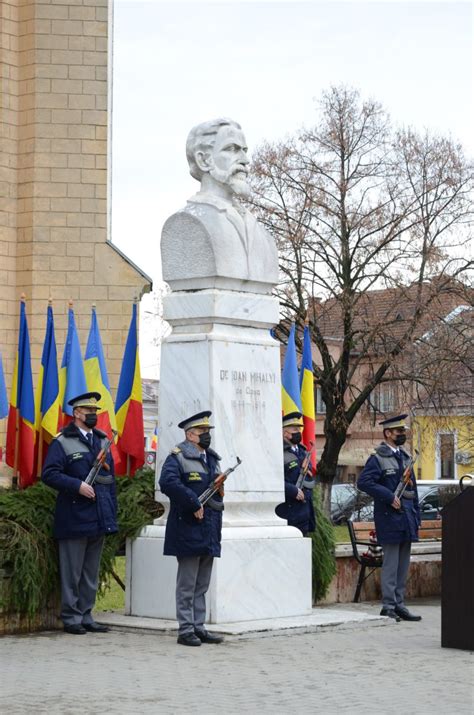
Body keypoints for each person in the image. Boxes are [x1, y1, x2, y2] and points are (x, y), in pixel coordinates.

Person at [161, 117, 278, 292]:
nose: (245, 160)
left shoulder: (263, 235)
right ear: (204, 160)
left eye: (245, 150)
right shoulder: (185, 224)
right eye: (232, 149)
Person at [42, 391, 117, 635]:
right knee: (72, 572)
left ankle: (86, 614)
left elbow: (109, 479)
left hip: (97, 516)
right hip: (73, 516)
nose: (93, 415)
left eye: (95, 412)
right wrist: (77, 486)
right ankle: (71, 616)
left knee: (90, 573)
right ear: (76, 413)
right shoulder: (62, 441)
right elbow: (50, 474)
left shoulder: (102, 440)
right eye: (89, 412)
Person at [159, 410, 224, 647]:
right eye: (202, 432)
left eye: (208, 431)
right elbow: (167, 483)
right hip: (187, 526)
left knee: (202, 583)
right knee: (187, 583)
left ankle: (199, 626)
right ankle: (185, 629)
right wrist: (192, 501)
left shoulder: (212, 458)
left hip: (209, 528)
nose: (206, 435)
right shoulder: (177, 457)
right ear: (190, 435)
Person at [357, 414, 422, 622]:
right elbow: (364, 482)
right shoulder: (378, 458)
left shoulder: (404, 457)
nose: (403, 435)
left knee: (403, 564)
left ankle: (400, 604)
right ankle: (388, 605)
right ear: (388, 433)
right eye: (399, 432)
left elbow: (414, 490)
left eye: (404, 431)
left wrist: (417, 516)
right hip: (389, 517)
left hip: (407, 518)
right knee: (391, 564)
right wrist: (388, 496)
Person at [275, 412, 316, 536]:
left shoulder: (303, 452)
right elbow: (272, 480)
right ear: (284, 433)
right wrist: (292, 490)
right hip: (288, 511)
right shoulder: (278, 452)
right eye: (294, 429)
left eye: (299, 428)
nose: (298, 432)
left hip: (303, 513)